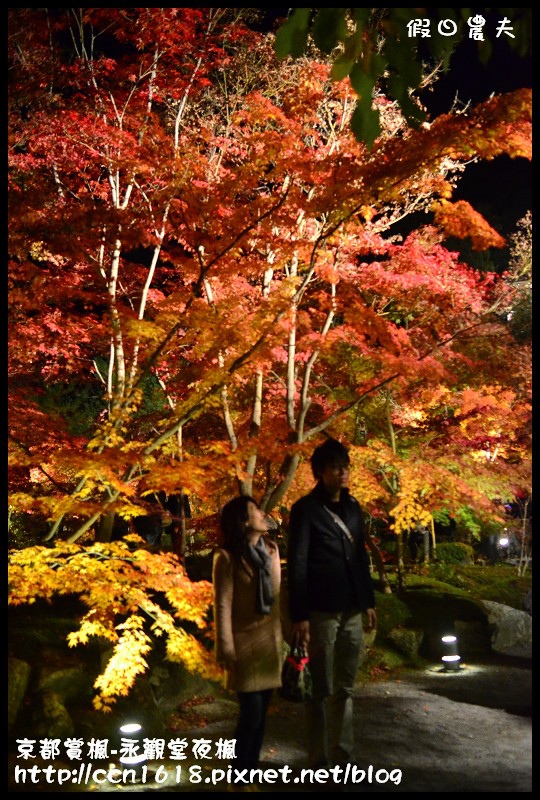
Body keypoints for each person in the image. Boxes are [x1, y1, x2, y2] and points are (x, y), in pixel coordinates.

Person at [287, 438, 377, 770]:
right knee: (319, 689)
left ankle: (344, 754)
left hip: (352, 606)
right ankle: (318, 758)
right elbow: (297, 562)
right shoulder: (305, 510)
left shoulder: (353, 508)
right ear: (320, 472)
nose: (343, 472)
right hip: (321, 609)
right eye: (336, 467)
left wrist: (368, 601)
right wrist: (299, 615)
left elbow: (359, 557)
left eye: (346, 466)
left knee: (346, 686)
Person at [212, 495, 283, 792]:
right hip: (244, 643)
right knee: (251, 714)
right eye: (255, 510)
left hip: (270, 642)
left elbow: (280, 599)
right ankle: (238, 778)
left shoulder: (272, 550)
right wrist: (224, 646)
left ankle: (249, 775)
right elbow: (222, 605)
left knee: (261, 715)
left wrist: (294, 631)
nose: (262, 514)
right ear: (244, 521)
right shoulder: (226, 557)